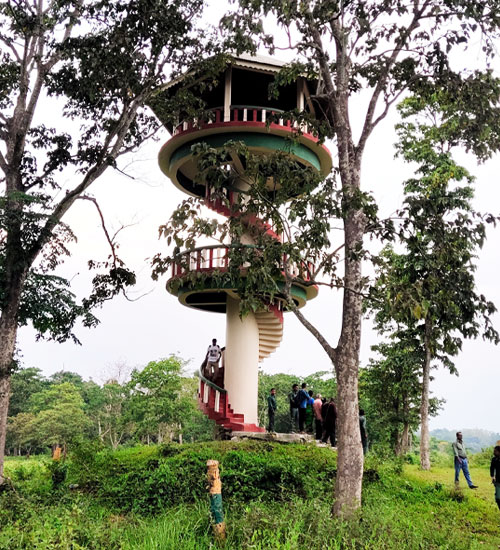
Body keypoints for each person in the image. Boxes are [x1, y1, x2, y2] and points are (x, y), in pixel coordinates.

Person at [490, 445, 500, 510]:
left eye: (495, 451)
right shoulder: (494, 459)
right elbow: (492, 468)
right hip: (498, 481)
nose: (494, 453)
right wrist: (493, 476)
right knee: (498, 499)